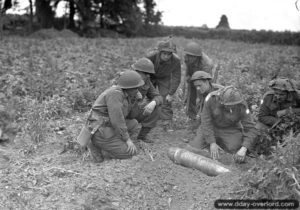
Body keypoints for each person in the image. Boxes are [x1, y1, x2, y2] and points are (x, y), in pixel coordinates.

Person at [84, 70, 145, 162]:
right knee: (131, 153)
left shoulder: (126, 95)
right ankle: (100, 149)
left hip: (109, 126)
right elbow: (117, 120)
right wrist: (127, 139)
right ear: (128, 87)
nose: (137, 90)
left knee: (134, 124)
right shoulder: (115, 94)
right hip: (100, 131)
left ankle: (116, 144)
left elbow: (131, 116)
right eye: (135, 88)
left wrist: (136, 101)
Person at [186, 86, 258, 163]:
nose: (231, 107)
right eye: (228, 105)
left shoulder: (242, 105)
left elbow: (250, 128)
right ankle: (210, 146)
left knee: (235, 148)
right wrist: (212, 142)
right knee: (195, 148)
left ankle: (221, 146)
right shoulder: (211, 98)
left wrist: (244, 148)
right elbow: (206, 122)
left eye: (233, 105)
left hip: (229, 129)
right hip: (211, 127)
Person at [147, 37, 181, 131]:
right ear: (160, 52)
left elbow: (176, 77)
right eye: (164, 53)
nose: (166, 56)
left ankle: (166, 122)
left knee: (166, 98)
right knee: (147, 96)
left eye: (169, 54)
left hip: (164, 77)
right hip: (150, 76)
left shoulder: (176, 61)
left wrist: (171, 93)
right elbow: (141, 69)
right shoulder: (151, 56)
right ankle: (147, 117)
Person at [126, 58, 163, 143]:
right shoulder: (125, 79)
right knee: (131, 123)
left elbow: (158, 96)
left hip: (133, 111)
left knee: (157, 106)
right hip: (122, 114)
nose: (148, 75)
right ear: (136, 71)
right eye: (145, 73)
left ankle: (142, 136)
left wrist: (153, 103)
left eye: (149, 73)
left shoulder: (146, 81)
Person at [184, 41, 215, 122]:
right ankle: (191, 115)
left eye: (193, 57)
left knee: (204, 94)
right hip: (193, 72)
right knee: (191, 95)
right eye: (189, 56)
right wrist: (188, 76)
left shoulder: (206, 64)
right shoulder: (187, 58)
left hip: (204, 74)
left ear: (197, 57)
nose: (191, 58)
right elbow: (188, 67)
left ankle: (204, 115)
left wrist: (199, 85)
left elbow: (206, 80)